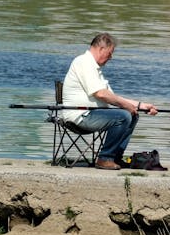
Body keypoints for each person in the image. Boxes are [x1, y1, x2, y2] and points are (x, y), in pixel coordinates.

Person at [60, 32, 159, 170]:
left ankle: (115, 158)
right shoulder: (83, 62)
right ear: (101, 49)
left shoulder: (94, 68)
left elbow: (112, 96)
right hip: (80, 116)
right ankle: (105, 158)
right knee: (123, 116)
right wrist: (126, 106)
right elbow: (101, 94)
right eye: (110, 53)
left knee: (132, 114)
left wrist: (141, 105)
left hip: (92, 114)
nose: (111, 57)